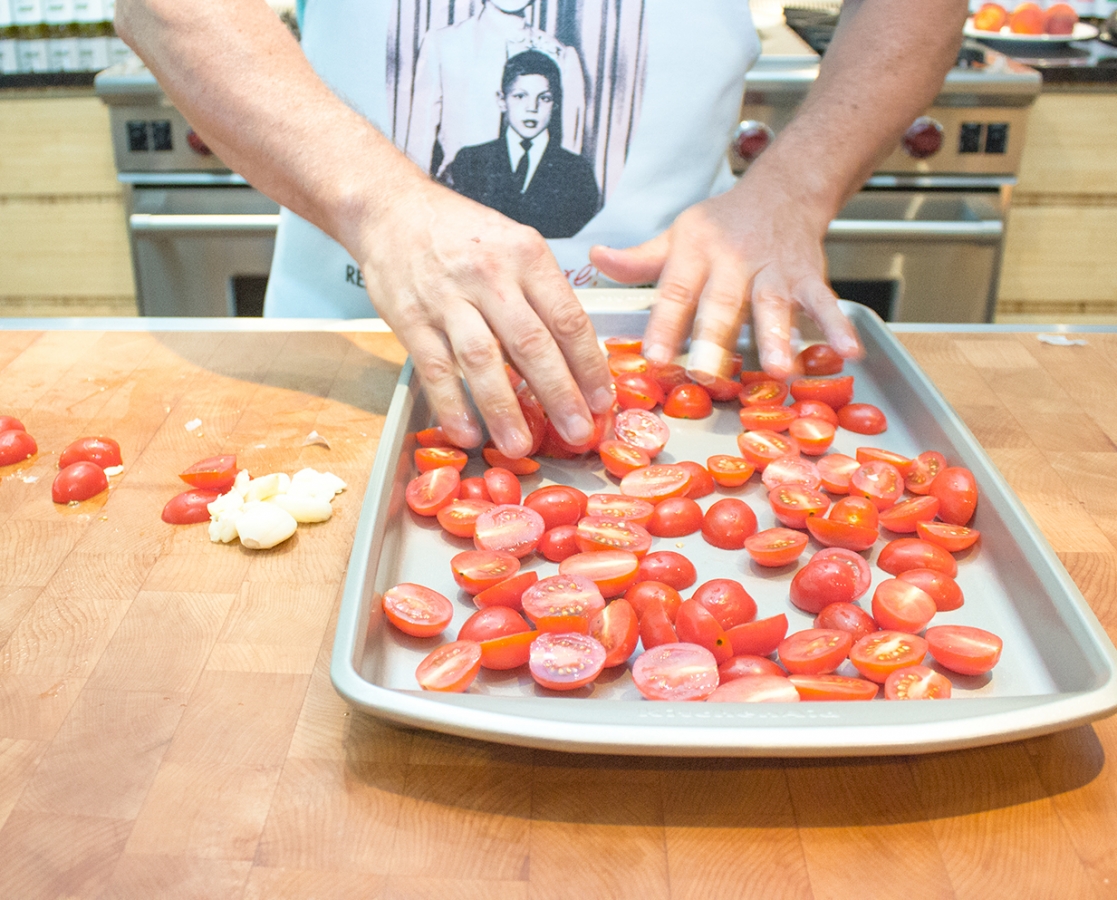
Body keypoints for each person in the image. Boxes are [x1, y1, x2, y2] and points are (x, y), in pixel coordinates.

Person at [114, 0, 968, 461]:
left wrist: (794, 187)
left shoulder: (564, 144)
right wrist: (384, 206)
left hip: (676, 344)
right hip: (354, 339)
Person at [400, 0, 587, 178]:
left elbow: (569, 151)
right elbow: (418, 144)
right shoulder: (442, 43)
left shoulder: (561, 55)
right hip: (459, 192)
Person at [444, 50, 599, 240]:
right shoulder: (470, 161)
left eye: (544, 98)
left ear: (555, 104)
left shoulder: (577, 172)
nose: (532, 108)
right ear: (502, 101)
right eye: (520, 96)